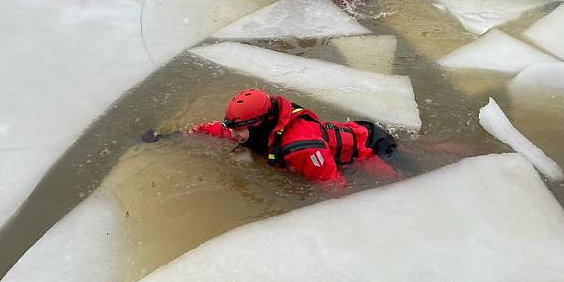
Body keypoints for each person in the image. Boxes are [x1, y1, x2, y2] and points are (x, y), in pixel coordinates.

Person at [143, 89, 400, 186]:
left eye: (238, 129)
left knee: (401, 180)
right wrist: (168, 137)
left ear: (258, 125)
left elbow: (335, 185)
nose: (231, 133)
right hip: (353, 133)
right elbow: (216, 130)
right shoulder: (251, 125)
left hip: (371, 147)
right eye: (231, 127)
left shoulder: (300, 148)